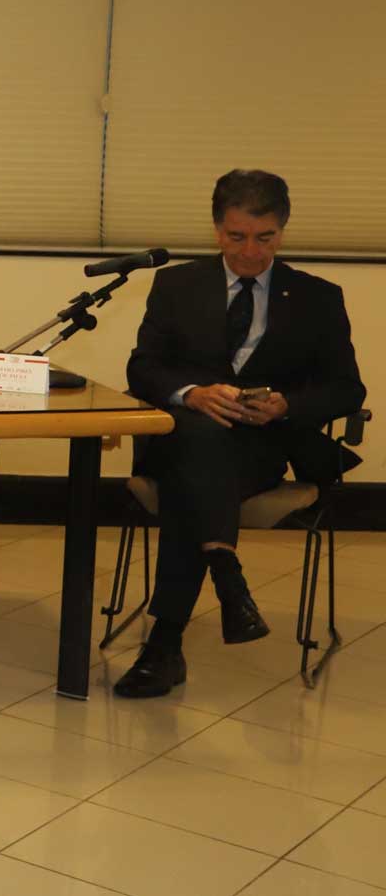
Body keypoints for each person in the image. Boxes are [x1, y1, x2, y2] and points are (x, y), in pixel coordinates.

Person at [114, 169, 365, 698]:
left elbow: (347, 388)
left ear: (283, 231)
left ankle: (166, 645)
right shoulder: (177, 286)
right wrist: (192, 394)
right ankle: (221, 573)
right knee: (198, 445)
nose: (251, 252)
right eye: (237, 237)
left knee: (193, 476)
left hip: (259, 447)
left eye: (265, 238)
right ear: (216, 230)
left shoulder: (318, 297)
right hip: (182, 435)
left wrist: (286, 406)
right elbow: (143, 369)